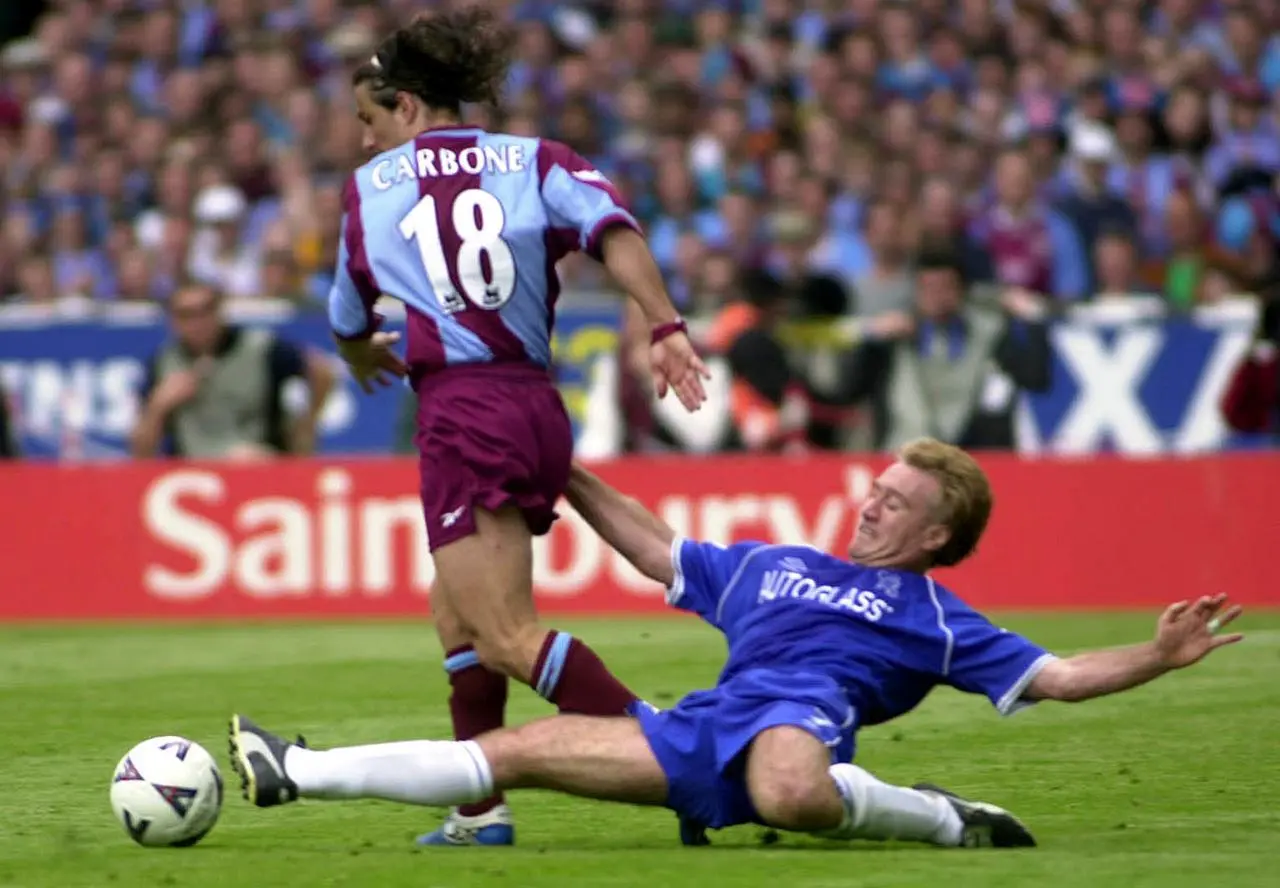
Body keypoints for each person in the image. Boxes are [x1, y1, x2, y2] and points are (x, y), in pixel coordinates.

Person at [230, 438, 1244, 850]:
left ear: (933, 536)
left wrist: (1153, 656)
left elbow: (1057, 678)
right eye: (874, 487)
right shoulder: (772, 566)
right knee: (512, 757)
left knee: (790, 787)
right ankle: (296, 770)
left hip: (795, 726)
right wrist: (568, 472)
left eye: (894, 503)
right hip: (701, 733)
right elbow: (653, 547)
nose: (869, 503)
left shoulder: (934, 619)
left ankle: (941, 820)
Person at [326, 8, 709, 846]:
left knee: (504, 634)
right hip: (536, 402)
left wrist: (358, 355)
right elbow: (614, 231)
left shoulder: (370, 193)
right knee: (456, 617)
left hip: (463, 410)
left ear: (409, 105)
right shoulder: (538, 161)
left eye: (369, 119)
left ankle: (685, 761)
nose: (362, 143)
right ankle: (480, 809)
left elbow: (349, 312)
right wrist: (666, 325)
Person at [131, 282, 335, 459]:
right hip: (192, 472)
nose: (198, 323)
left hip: (258, 464)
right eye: (187, 315)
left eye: (206, 311)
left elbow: (321, 370)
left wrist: (306, 424)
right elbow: (140, 453)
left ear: (220, 311)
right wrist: (158, 406)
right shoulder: (163, 362)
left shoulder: (260, 349)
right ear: (173, 321)